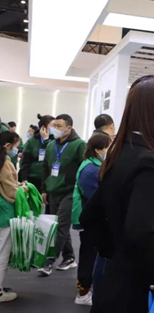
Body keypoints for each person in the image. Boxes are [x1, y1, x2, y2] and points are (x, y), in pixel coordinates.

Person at [80, 75, 154, 313]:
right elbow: (140, 230)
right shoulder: (149, 162)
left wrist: (115, 252)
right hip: (139, 294)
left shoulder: (122, 152)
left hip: (117, 284)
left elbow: (90, 216)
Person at [39, 114, 86, 277]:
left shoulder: (79, 145)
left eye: (59, 126)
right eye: (54, 125)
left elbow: (84, 167)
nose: (55, 129)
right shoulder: (51, 145)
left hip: (70, 191)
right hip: (53, 190)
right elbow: (45, 168)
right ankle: (69, 257)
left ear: (69, 128)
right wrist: (44, 189)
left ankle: (48, 262)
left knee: (59, 227)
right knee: (59, 226)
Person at [72, 132, 111, 306]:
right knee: (89, 255)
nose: (109, 150)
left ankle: (87, 288)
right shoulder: (90, 170)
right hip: (90, 220)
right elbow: (96, 197)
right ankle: (83, 292)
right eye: (107, 147)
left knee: (92, 254)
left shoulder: (94, 165)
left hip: (92, 218)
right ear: (98, 149)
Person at [0, 131, 26, 303]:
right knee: (2, 253)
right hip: (4, 212)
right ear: (8, 146)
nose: (17, 150)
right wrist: (23, 189)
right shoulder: (6, 163)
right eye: (16, 147)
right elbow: (10, 192)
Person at [19, 115, 55, 191]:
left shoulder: (55, 140)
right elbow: (25, 162)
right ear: (43, 127)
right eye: (52, 125)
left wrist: (46, 140)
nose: (54, 128)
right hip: (33, 177)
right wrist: (24, 179)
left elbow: (53, 155)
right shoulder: (32, 141)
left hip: (49, 178)